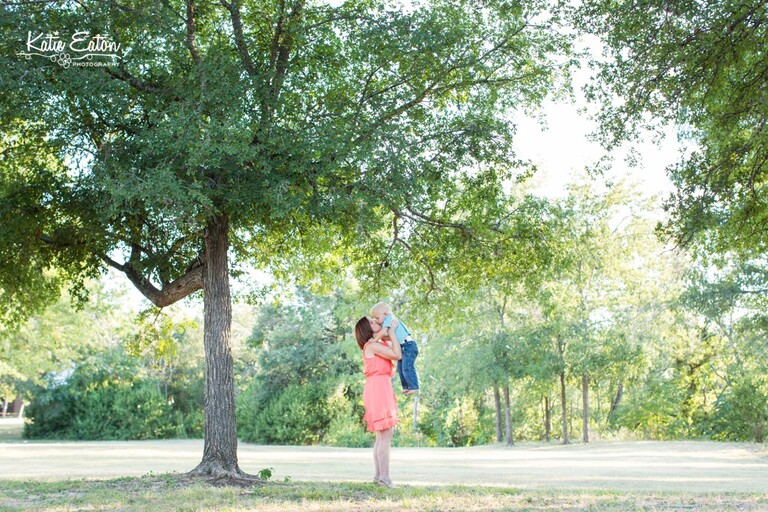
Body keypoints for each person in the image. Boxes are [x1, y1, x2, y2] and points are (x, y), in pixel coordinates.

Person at [354, 316, 402, 489]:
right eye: (372, 322)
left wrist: (386, 332)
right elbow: (397, 354)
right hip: (379, 389)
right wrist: (392, 332)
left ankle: (379, 476)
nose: (377, 323)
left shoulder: (375, 343)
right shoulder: (372, 345)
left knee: (382, 436)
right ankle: (384, 478)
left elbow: (392, 346)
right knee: (385, 435)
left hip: (379, 387)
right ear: (367, 329)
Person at [368, 302, 420, 395]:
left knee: (407, 367)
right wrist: (382, 338)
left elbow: (383, 331)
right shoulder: (388, 321)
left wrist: (375, 339)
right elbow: (392, 337)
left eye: (377, 318)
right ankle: (406, 386)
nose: (377, 321)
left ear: (385, 314)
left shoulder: (389, 318)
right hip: (403, 346)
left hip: (408, 345)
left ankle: (414, 386)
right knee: (400, 368)